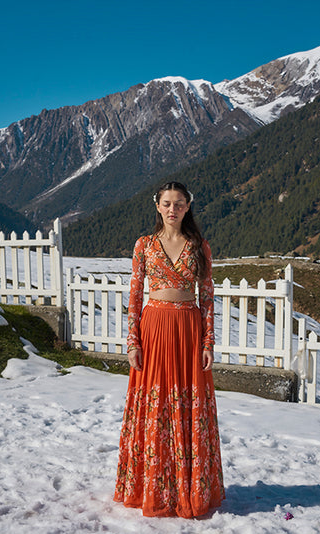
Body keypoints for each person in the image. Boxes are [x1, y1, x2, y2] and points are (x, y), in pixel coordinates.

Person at [114, 181, 224, 518]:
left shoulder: (198, 246)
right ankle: (152, 487)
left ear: (188, 206)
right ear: (157, 206)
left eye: (178, 203)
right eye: (166, 203)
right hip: (154, 329)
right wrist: (133, 341)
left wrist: (208, 341)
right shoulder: (144, 245)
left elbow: (207, 297)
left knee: (188, 405)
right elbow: (134, 296)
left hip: (189, 331)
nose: (172, 209)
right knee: (153, 405)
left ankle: (186, 488)